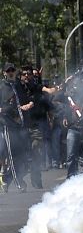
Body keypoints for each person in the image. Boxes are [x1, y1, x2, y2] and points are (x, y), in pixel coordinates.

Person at [1, 63, 34, 191]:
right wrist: (3, 109)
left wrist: (30, 103)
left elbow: (29, 97)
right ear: (4, 73)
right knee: (13, 155)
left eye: (12, 70)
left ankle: (7, 179)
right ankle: (19, 183)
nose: (10, 72)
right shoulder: (1, 87)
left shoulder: (18, 85)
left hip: (21, 124)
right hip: (7, 124)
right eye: (8, 71)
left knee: (23, 156)